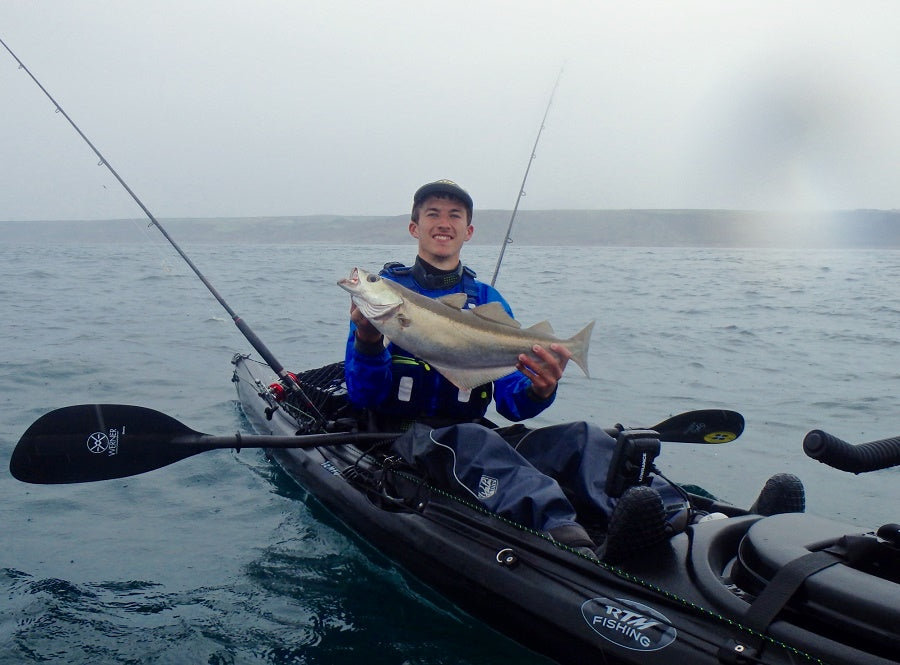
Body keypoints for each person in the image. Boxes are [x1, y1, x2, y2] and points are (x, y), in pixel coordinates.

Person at [340, 179, 803, 561]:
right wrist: (368, 340)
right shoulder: (387, 294)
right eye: (433, 214)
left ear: (469, 231)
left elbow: (511, 400)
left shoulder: (487, 301)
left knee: (583, 437)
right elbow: (362, 394)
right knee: (478, 443)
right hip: (406, 439)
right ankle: (568, 538)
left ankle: (681, 514)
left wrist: (540, 389)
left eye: (454, 215)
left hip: (473, 431)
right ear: (415, 226)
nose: (443, 223)